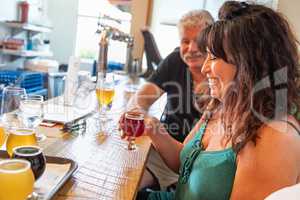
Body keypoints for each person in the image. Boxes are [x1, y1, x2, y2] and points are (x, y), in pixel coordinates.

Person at [131, 1, 300, 200]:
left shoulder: (275, 137)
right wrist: (153, 127)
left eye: (213, 57)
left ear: (247, 62)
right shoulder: (220, 104)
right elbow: (184, 162)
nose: (204, 68)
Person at [123, 10, 214, 191]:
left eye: (198, 41)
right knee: (126, 184)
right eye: (185, 41)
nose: (191, 48)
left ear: (212, 42)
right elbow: (139, 101)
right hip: (164, 154)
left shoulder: (221, 73)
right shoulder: (175, 61)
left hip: (201, 164)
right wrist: (139, 119)